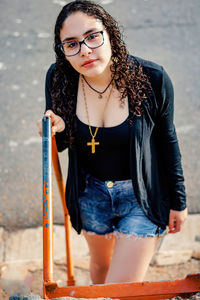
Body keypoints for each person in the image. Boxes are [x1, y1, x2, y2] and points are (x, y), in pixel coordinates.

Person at [37, 0, 187, 284]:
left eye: (92, 36)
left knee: (119, 290)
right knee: (100, 269)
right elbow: (59, 147)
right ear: (63, 51)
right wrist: (56, 129)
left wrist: (179, 202)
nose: (85, 51)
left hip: (141, 198)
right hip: (90, 195)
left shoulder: (152, 78)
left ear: (110, 33)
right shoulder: (59, 78)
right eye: (71, 44)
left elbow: (169, 141)